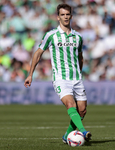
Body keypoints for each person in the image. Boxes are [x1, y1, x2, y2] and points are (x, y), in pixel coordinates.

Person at [24, 3, 92, 144]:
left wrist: (79, 72)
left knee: (82, 111)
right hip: (61, 78)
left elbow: (80, 57)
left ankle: (66, 135)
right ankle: (83, 132)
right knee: (70, 104)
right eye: (63, 15)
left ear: (71, 16)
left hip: (76, 78)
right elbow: (38, 53)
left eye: (67, 14)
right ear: (58, 17)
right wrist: (31, 74)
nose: (65, 17)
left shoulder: (78, 37)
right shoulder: (51, 35)